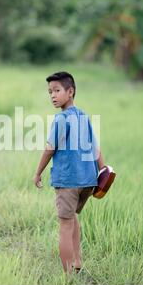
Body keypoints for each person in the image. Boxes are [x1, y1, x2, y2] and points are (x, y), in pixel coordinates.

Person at [33, 71, 105, 274]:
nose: (52, 96)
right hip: (88, 181)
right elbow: (95, 147)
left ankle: (67, 277)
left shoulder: (61, 119)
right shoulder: (83, 116)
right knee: (73, 217)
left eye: (57, 90)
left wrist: (38, 172)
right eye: (49, 92)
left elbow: (50, 148)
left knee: (65, 226)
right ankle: (78, 262)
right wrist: (104, 172)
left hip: (68, 181)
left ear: (70, 91)